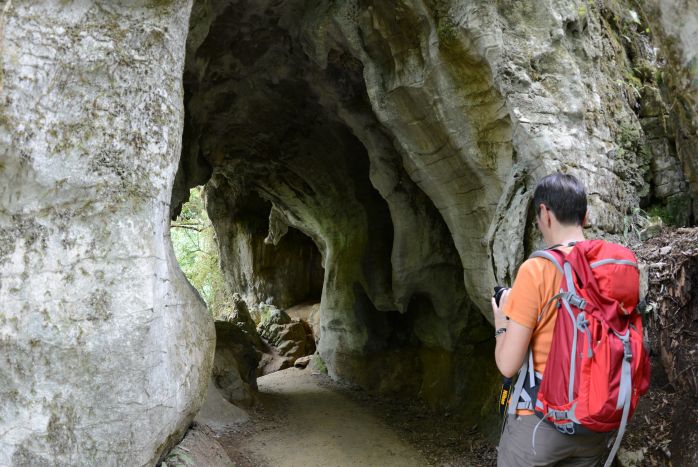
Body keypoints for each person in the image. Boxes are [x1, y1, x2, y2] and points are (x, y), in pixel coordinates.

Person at [492, 173, 611, 466]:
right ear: (585, 217)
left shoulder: (536, 270)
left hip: (540, 426)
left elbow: (508, 364)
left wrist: (501, 321)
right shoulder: (610, 267)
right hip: (596, 423)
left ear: (544, 213)